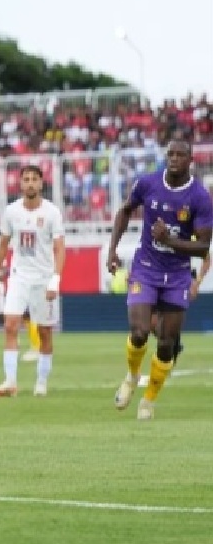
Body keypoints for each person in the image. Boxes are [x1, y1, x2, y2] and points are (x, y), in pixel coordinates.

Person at [107, 139, 212, 419]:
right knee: (139, 331)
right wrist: (112, 250)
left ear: (191, 160)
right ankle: (131, 376)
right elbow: (125, 210)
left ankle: (149, 400)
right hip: (145, 267)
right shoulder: (148, 183)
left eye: (180, 154)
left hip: (177, 275)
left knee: (167, 343)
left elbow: (203, 248)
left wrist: (170, 239)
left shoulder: (200, 197)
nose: (174, 158)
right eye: (170, 154)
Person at [0, 164, 66, 397]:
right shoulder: (11, 212)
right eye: (26, 179)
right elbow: (3, 246)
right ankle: (10, 381)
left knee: (44, 333)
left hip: (43, 279)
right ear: (20, 184)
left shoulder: (52, 213)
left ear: (41, 183)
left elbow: (60, 248)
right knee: (10, 325)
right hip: (19, 276)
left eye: (34, 179)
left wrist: (55, 280)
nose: (30, 183)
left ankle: (41, 382)